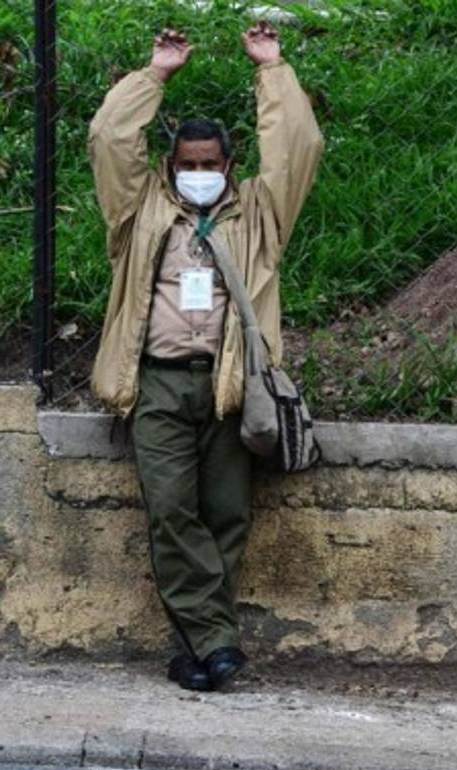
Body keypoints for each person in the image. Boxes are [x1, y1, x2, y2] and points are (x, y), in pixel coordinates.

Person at [88, 23, 324, 691]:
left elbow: (298, 146)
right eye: (186, 164)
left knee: (225, 517)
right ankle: (218, 640)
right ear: (170, 167)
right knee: (171, 512)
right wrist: (156, 74)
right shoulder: (140, 213)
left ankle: (194, 652)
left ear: (228, 164)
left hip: (229, 388)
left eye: (208, 164)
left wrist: (271, 70)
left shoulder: (259, 215)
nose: (197, 174)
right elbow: (109, 138)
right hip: (158, 387)